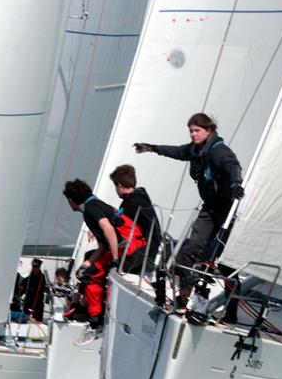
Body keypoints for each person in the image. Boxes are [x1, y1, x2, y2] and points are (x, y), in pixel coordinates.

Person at [135, 112, 244, 321]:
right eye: (191, 131)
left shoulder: (219, 151)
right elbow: (176, 151)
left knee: (224, 265)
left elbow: (233, 166)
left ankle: (231, 313)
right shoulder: (196, 150)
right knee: (188, 251)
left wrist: (236, 183)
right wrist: (152, 148)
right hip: (209, 209)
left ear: (209, 130)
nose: (193, 134)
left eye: (197, 130)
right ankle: (183, 299)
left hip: (225, 211)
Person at [63, 179, 145, 326]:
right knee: (88, 265)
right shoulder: (94, 204)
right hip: (128, 246)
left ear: (71, 199)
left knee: (91, 274)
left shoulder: (90, 208)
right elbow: (102, 246)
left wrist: (115, 258)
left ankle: (94, 317)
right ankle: (83, 305)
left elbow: (108, 228)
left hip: (129, 248)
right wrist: (86, 264)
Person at [109, 164, 161, 276]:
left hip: (137, 259)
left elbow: (155, 235)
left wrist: (147, 270)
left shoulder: (133, 204)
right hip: (135, 255)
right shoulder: (134, 200)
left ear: (119, 185)